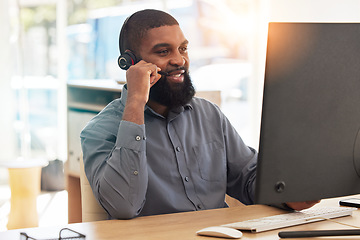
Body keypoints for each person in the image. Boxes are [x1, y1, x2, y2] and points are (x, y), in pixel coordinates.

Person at [80, 9, 318, 220]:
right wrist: (135, 103)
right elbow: (123, 206)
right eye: (164, 51)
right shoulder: (99, 130)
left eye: (183, 49)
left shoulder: (209, 114)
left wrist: (287, 196)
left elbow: (247, 178)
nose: (179, 60)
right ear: (131, 63)